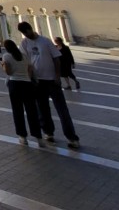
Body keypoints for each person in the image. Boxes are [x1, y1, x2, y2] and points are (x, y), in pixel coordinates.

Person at [17, 21, 81, 149]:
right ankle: (48, 132)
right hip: (37, 81)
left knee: (62, 109)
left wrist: (57, 77)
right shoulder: (24, 43)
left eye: (26, 32)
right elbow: (25, 61)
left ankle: (72, 138)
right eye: (23, 33)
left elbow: (56, 59)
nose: (26, 35)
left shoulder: (45, 41)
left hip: (52, 80)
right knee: (42, 108)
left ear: (31, 29)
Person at [0, 38, 43, 145]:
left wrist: (3, 65)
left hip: (15, 84)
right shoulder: (24, 56)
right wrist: (26, 78)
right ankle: (38, 137)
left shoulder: (6, 56)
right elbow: (30, 70)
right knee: (32, 111)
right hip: (27, 84)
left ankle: (22, 136)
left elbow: (8, 73)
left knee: (17, 111)